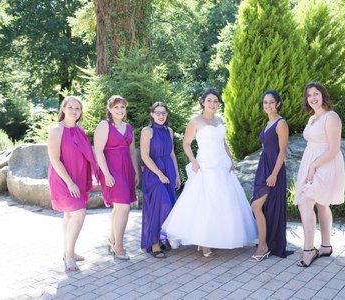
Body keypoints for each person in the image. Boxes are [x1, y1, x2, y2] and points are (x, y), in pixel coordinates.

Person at [162, 89, 257, 257]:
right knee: (207, 202)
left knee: (225, 202)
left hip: (222, 165)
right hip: (205, 165)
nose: (213, 104)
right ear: (203, 102)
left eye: (215, 101)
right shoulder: (195, 121)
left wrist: (230, 160)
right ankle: (204, 242)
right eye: (209, 100)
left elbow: (223, 143)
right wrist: (194, 162)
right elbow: (186, 143)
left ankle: (221, 237)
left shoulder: (219, 120)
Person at [293, 83, 345, 267]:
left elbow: (334, 149)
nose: (312, 98)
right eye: (309, 95)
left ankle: (309, 250)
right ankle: (325, 246)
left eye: (316, 94)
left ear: (323, 96)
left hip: (326, 163)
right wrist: (310, 164)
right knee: (321, 204)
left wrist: (314, 165)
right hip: (311, 162)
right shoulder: (312, 119)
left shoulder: (331, 117)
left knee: (305, 201)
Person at [47, 96, 97, 271]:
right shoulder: (56, 129)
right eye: (71, 108)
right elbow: (54, 159)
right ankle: (69, 257)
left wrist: (89, 178)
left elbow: (86, 157)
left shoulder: (80, 131)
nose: (74, 111)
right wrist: (70, 183)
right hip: (63, 179)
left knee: (69, 216)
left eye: (78, 108)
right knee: (79, 213)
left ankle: (68, 250)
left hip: (78, 178)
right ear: (63, 108)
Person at [94, 95, 139, 260]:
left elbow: (132, 152)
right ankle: (119, 246)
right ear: (109, 109)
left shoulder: (128, 127)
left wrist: (135, 172)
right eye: (116, 107)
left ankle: (112, 240)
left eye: (122, 107)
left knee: (119, 208)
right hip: (111, 169)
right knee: (124, 207)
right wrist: (106, 174)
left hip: (126, 169)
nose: (120, 110)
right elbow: (98, 150)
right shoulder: (104, 125)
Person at [250, 90, 289, 261]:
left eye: (271, 102)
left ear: (278, 104)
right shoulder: (268, 123)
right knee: (262, 207)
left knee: (256, 206)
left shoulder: (281, 123)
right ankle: (264, 243)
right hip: (263, 166)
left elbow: (283, 152)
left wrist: (274, 174)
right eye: (265, 102)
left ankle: (263, 246)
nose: (268, 105)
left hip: (274, 168)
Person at [140, 102, 180, 259]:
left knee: (169, 206)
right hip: (154, 173)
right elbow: (144, 155)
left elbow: (172, 154)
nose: (161, 116)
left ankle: (163, 239)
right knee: (159, 205)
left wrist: (177, 175)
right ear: (151, 114)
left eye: (163, 113)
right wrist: (159, 173)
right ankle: (154, 243)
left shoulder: (169, 131)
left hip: (169, 171)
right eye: (157, 113)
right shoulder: (147, 131)